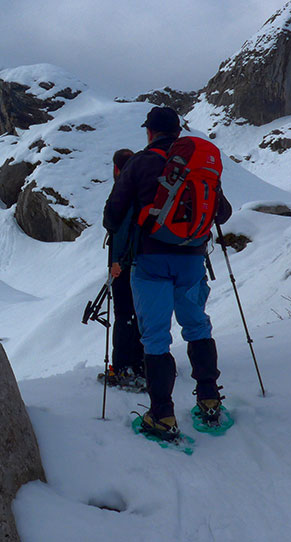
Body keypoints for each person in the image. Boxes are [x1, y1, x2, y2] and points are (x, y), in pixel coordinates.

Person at [102, 106, 232, 441]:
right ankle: (209, 400)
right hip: (192, 257)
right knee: (197, 325)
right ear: (177, 130)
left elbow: (112, 216)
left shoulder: (140, 162)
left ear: (149, 132)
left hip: (152, 260)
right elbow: (224, 212)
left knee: (156, 337)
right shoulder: (195, 162)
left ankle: (162, 415)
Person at [99, 148, 145, 390]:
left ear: (117, 168)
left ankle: (123, 366)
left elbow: (120, 228)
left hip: (125, 263)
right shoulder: (146, 186)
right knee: (142, 313)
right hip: (149, 261)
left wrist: (116, 261)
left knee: (124, 313)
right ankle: (145, 363)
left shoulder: (124, 189)